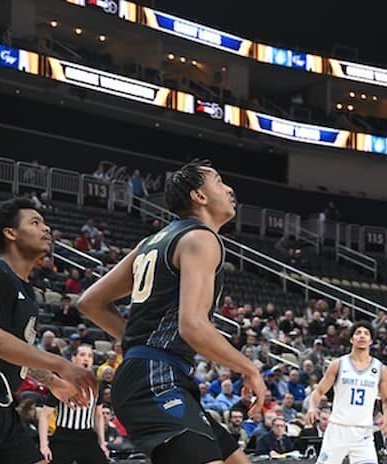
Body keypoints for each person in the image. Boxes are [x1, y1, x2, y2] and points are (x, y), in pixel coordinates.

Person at [78, 159, 268, 464]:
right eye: (219, 182)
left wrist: (139, 342)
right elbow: (192, 326)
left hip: (156, 375)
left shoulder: (152, 242)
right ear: (199, 196)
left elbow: (90, 302)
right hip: (155, 378)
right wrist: (250, 368)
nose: (229, 189)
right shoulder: (201, 238)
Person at [0, 197, 96, 464]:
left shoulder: (26, 289)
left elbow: (17, 353)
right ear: (11, 233)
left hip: (3, 404)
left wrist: (52, 381)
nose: (46, 228)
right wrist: (61, 364)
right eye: (35, 223)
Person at [302, 321, 387, 464]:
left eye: (366, 334)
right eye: (358, 333)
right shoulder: (338, 364)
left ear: (371, 341)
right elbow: (318, 391)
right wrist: (312, 408)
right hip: (338, 429)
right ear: (351, 339)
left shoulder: (380, 369)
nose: (362, 336)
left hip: (363, 432)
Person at [39, 344, 109, 464]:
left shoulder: (97, 385)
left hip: (88, 437)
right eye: (82, 355)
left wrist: (102, 442)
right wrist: (44, 444)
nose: (86, 359)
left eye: (90, 356)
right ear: (73, 358)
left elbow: (98, 415)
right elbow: (45, 415)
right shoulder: (62, 384)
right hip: (63, 437)